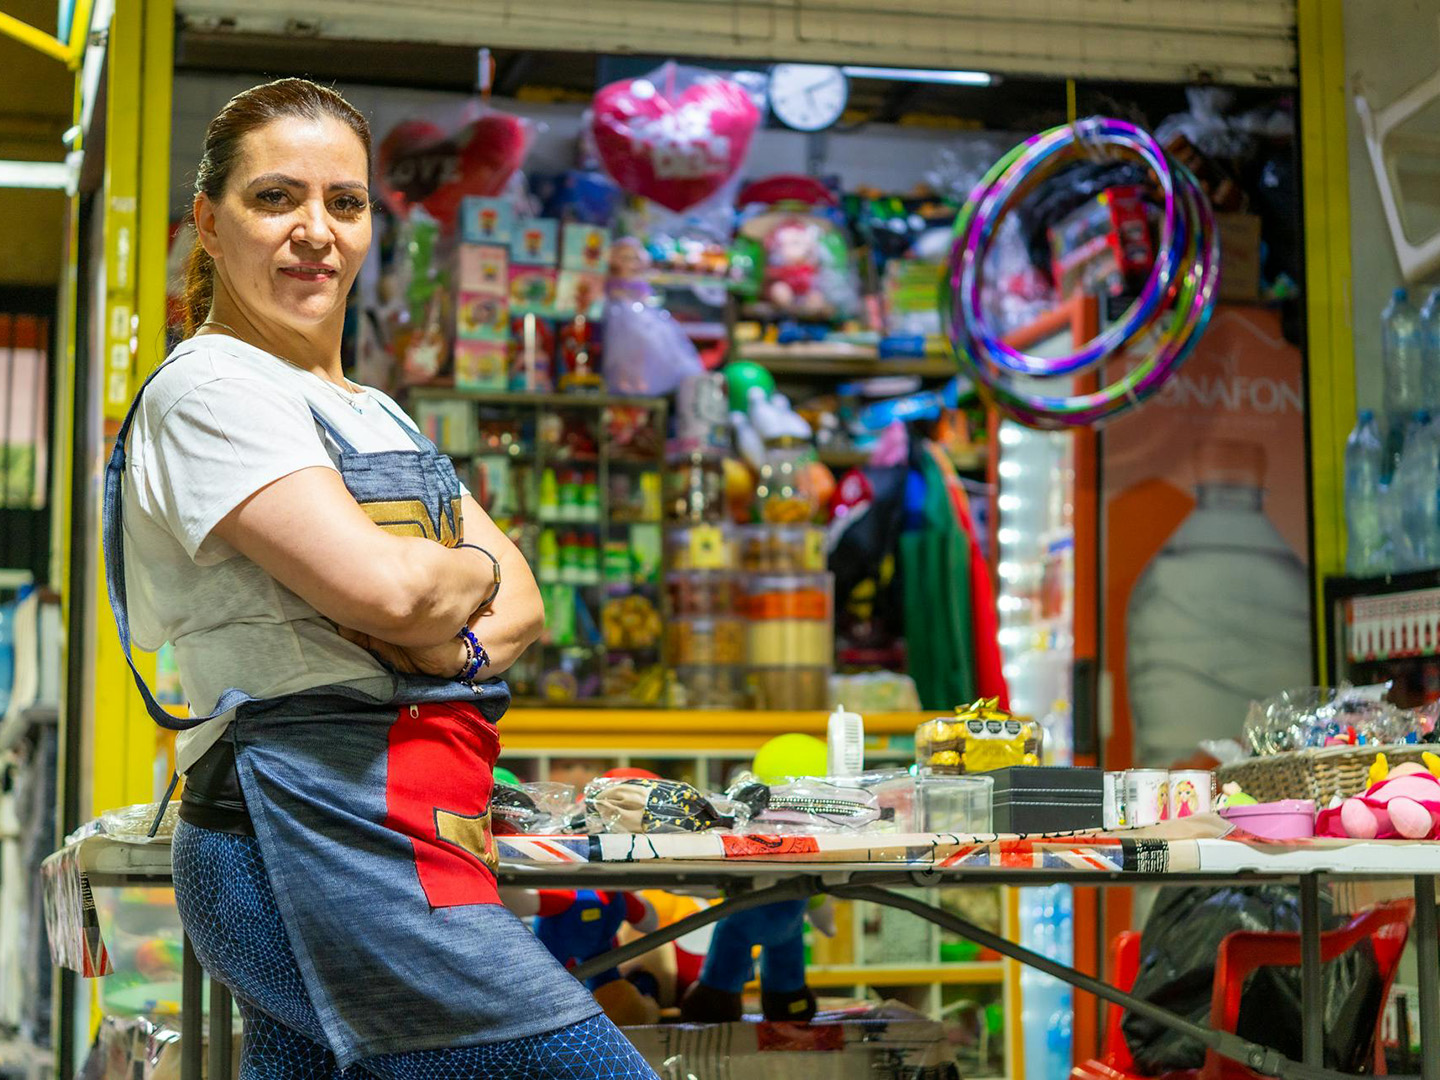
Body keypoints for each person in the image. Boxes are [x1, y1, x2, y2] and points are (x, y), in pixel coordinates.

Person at [104, 78, 659, 1079]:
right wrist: (445, 587)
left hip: (407, 815)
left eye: (343, 203)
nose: (315, 229)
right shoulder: (212, 388)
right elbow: (392, 596)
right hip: (302, 836)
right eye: (276, 199)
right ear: (208, 223)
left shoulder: (373, 410)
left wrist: (454, 634)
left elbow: (522, 597)